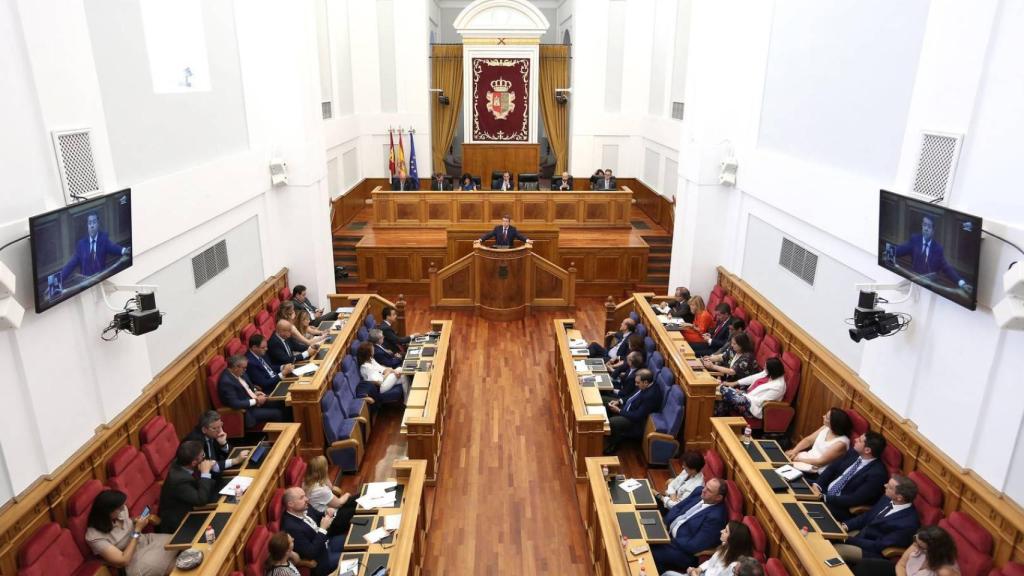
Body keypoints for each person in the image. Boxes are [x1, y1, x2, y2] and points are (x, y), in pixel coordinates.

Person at [85, 489, 177, 576]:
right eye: (120, 508)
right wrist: (137, 530)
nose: (123, 509)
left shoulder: (121, 509)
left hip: (144, 540)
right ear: (107, 512)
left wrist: (135, 521)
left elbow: (126, 524)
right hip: (132, 560)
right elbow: (124, 560)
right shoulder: (94, 536)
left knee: (179, 541)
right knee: (177, 566)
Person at [835, 475, 920, 565]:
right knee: (828, 536)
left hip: (871, 551)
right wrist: (845, 526)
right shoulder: (887, 498)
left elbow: (878, 545)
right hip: (861, 535)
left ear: (899, 497)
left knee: (834, 550)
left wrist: (846, 538)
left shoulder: (908, 524)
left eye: (890, 487)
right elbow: (866, 516)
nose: (885, 485)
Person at [652, 478, 730, 572]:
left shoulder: (716, 517)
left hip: (681, 551)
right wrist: (665, 523)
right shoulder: (699, 491)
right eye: (706, 486)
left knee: (650, 552)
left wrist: (668, 540)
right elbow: (678, 507)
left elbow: (694, 545)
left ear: (718, 497)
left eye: (709, 490)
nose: (704, 490)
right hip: (667, 533)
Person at [887, 215, 973, 295]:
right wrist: (887, 252)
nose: (926, 229)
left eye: (929, 226)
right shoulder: (915, 240)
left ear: (933, 230)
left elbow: (947, 268)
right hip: (912, 283)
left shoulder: (938, 249)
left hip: (927, 289)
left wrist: (962, 283)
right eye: (924, 225)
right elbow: (900, 250)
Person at [812, 431, 889, 521]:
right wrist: (817, 485)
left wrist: (823, 497)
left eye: (859, 440)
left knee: (807, 510)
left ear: (867, 450)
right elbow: (832, 468)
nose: (855, 440)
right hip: (824, 491)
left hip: (840, 507)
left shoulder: (877, 474)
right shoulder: (853, 453)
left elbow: (854, 499)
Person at [280, 487, 346, 576]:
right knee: (351, 558)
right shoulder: (291, 527)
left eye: (305, 496)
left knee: (354, 539)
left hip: (327, 543)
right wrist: (322, 529)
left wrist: (328, 513)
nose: (306, 499)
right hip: (322, 560)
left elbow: (319, 516)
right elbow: (311, 552)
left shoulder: (305, 507)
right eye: (301, 498)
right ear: (291, 504)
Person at [157, 441, 215, 534]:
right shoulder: (179, 480)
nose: (205, 457)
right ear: (193, 462)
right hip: (178, 523)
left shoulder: (182, 464)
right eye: (202, 455)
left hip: (189, 508)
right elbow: (201, 500)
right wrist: (205, 473)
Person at [853, 526, 960, 576]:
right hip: (902, 573)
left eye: (921, 547)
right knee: (865, 565)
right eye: (915, 542)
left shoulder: (945, 572)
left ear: (934, 549)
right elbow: (901, 564)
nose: (915, 547)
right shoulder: (918, 543)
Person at [217, 354, 287, 428]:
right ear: (235, 367)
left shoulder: (238, 372)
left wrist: (255, 391)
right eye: (244, 368)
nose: (245, 370)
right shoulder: (226, 382)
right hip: (248, 410)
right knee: (277, 413)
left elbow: (248, 387)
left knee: (281, 402)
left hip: (254, 399)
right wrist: (256, 401)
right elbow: (235, 403)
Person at [59, 212, 130, 283]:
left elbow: (113, 247)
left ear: (98, 224)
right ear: (87, 226)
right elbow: (71, 264)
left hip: (101, 280)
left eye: (94, 222)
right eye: (89, 223)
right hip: (86, 284)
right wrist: (58, 280)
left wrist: (124, 250)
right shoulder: (81, 244)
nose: (92, 226)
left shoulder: (103, 239)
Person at [604, 368, 661, 454]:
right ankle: (608, 432)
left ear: (645, 382)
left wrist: (619, 411)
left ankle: (614, 444)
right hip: (628, 407)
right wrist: (619, 401)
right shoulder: (644, 385)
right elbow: (632, 396)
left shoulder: (651, 396)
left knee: (613, 422)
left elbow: (637, 416)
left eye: (638, 383)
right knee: (605, 401)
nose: (635, 384)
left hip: (635, 420)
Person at [184, 411, 249, 482]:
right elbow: (208, 465)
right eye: (215, 428)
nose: (219, 430)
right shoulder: (196, 443)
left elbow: (226, 454)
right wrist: (235, 461)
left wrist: (223, 444)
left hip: (217, 470)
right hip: (205, 480)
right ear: (204, 430)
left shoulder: (212, 433)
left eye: (220, 425)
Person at [785, 407, 853, 474]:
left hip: (815, 471)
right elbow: (808, 440)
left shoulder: (841, 443)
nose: (823, 416)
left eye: (826, 417)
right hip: (805, 460)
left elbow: (820, 462)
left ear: (833, 423)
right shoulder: (826, 428)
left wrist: (798, 460)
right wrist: (794, 451)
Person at [303, 455, 358, 537]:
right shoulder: (319, 490)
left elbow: (330, 487)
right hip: (330, 521)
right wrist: (347, 494)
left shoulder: (306, 481)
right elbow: (339, 503)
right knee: (356, 508)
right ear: (323, 470)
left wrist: (324, 475)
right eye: (326, 466)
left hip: (330, 510)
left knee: (357, 499)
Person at [716, 356, 785, 418]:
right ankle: (716, 420)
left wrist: (742, 394)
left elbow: (761, 401)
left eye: (766, 368)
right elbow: (753, 378)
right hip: (748, 396)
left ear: (772, 370)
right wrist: (738, 387)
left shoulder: (778, 387)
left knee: (725, 390)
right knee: (723, 400)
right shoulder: (769, 373)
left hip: (753, 408)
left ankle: (718, 387)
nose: (764, 368)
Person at [684, 521, 754, 576]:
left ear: (733, 539)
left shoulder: (735, 567)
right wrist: (698, 569)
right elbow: (711, 562)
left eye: (726, 531)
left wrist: (693, 574)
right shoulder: (726, 546)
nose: (721, 531)